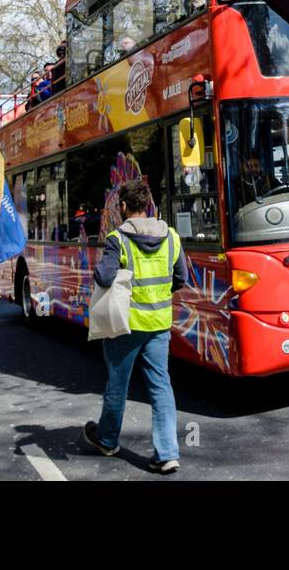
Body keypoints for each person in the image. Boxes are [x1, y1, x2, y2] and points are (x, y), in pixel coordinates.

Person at [83, 179, 186, 473]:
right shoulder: (172, 237)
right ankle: (167, 454)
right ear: (149, 205)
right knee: (161, 387)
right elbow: (181, 277)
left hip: (125, 326)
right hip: (159, 323)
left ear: (124, 206)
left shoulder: (118, 239)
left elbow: (104, 277)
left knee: (118, 385)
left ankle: (108, 440)